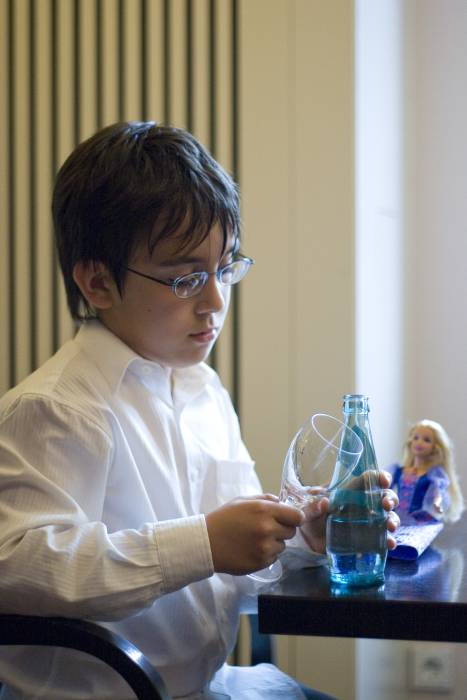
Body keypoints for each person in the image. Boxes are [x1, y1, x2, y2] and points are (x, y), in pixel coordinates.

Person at [0, 121, 399, 700]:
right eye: (186, 277)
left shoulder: (201, 389)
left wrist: (304, 535)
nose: (214, 301)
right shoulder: (58, 408)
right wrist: (204, 543)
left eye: (226, 268)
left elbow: (234, 553)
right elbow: (19, 565)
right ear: (97, 282)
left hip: (211, 685)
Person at [388, 419, 464, 525]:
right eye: (416, 438)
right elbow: (386, 489)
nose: (419, 442)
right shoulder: (398, 470)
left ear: (435, 447)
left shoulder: (434, 474)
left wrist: (437, 503)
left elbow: (438, 491)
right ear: (410, 442)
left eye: (427, 440)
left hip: (419, 521)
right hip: (397, 518)